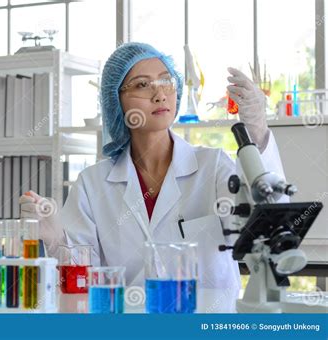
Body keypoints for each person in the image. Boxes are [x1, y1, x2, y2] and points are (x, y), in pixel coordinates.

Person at [19, 42, 287, 289]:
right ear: (116, 100)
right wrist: (55, 240)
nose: (159, 94)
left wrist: (257, 132)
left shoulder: (213, 166)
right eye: (142, 85)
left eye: (166, 81)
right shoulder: (93, 184)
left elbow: (267, 223)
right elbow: (83, 282)